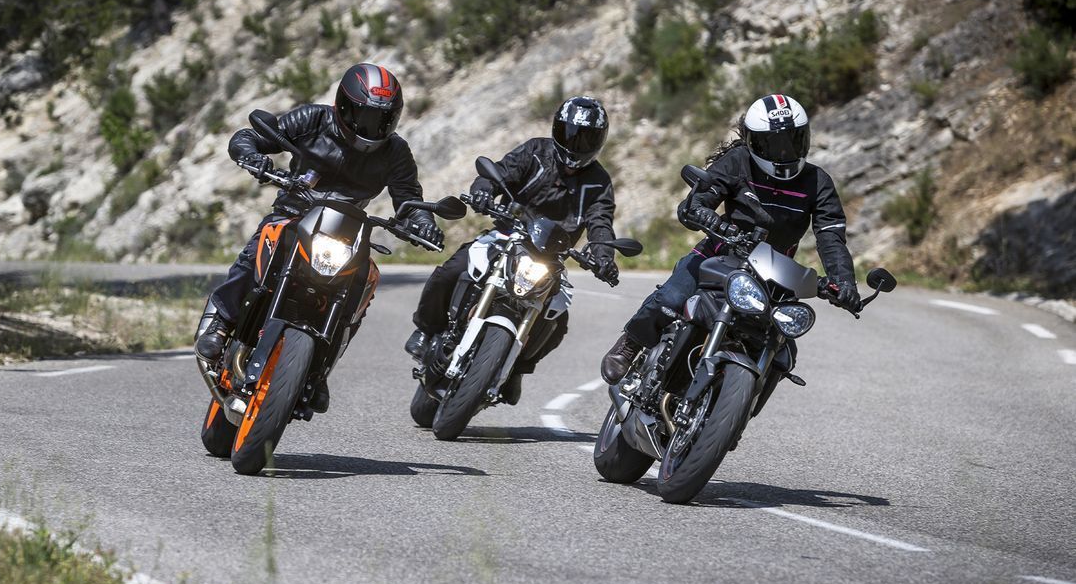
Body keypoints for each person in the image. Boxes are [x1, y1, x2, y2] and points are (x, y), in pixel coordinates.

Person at [195, 63, 444, 409]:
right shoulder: (313, 119)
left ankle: (319, 368)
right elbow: (252, 136)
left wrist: (422, 221)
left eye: (382, 120)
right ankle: (221, 321)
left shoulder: (396, 152)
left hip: (348, 231)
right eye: (364, 117)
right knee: (266, 241)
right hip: (295, 213)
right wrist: (252, 156)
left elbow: (410, 198)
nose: (372, 128)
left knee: (365, 280)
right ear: (343, 106)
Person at [600, 93, 861, 384]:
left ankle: (740, 406)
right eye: (774, 144)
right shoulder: (737, 161)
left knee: (783, 351)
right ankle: (630, 344)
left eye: (793, 140)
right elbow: (698, 200)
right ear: (754, 142)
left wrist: (843, 281)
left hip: (776, 274)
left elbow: (831, 237)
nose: (784, 151)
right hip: (719, 253)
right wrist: (704, 215)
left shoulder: (818, 182)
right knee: (671, 297)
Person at [404, 96, 619, 404]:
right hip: (509, 235)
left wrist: (603, 256)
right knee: (453, 269)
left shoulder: (599, 182)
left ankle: (517, 367)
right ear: (558, 129)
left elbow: (601, 222)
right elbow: (502, 172)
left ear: (599, 140)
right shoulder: (536, 152)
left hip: (551, 258)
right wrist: (483, 191)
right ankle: (425, 330)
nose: (576, 142)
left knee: (557, 322)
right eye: (571, 133)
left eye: (586, 137)